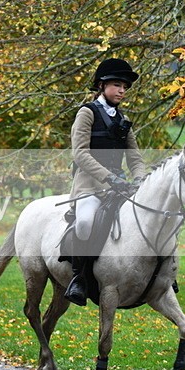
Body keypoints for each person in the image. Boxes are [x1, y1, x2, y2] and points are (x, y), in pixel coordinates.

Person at [64, 58, 145, 306]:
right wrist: (109, 177)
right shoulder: (86, 113)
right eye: (118, 85)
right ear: (102, 85)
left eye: (125, 87)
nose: (122, 90)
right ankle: (78, 277)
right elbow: (80, 153)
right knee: (87, 222)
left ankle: (159, 274)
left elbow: (135, 157)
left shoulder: (123, 119)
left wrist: (140, 178)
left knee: (146, 220)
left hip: (119, 188)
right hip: (89, 185)